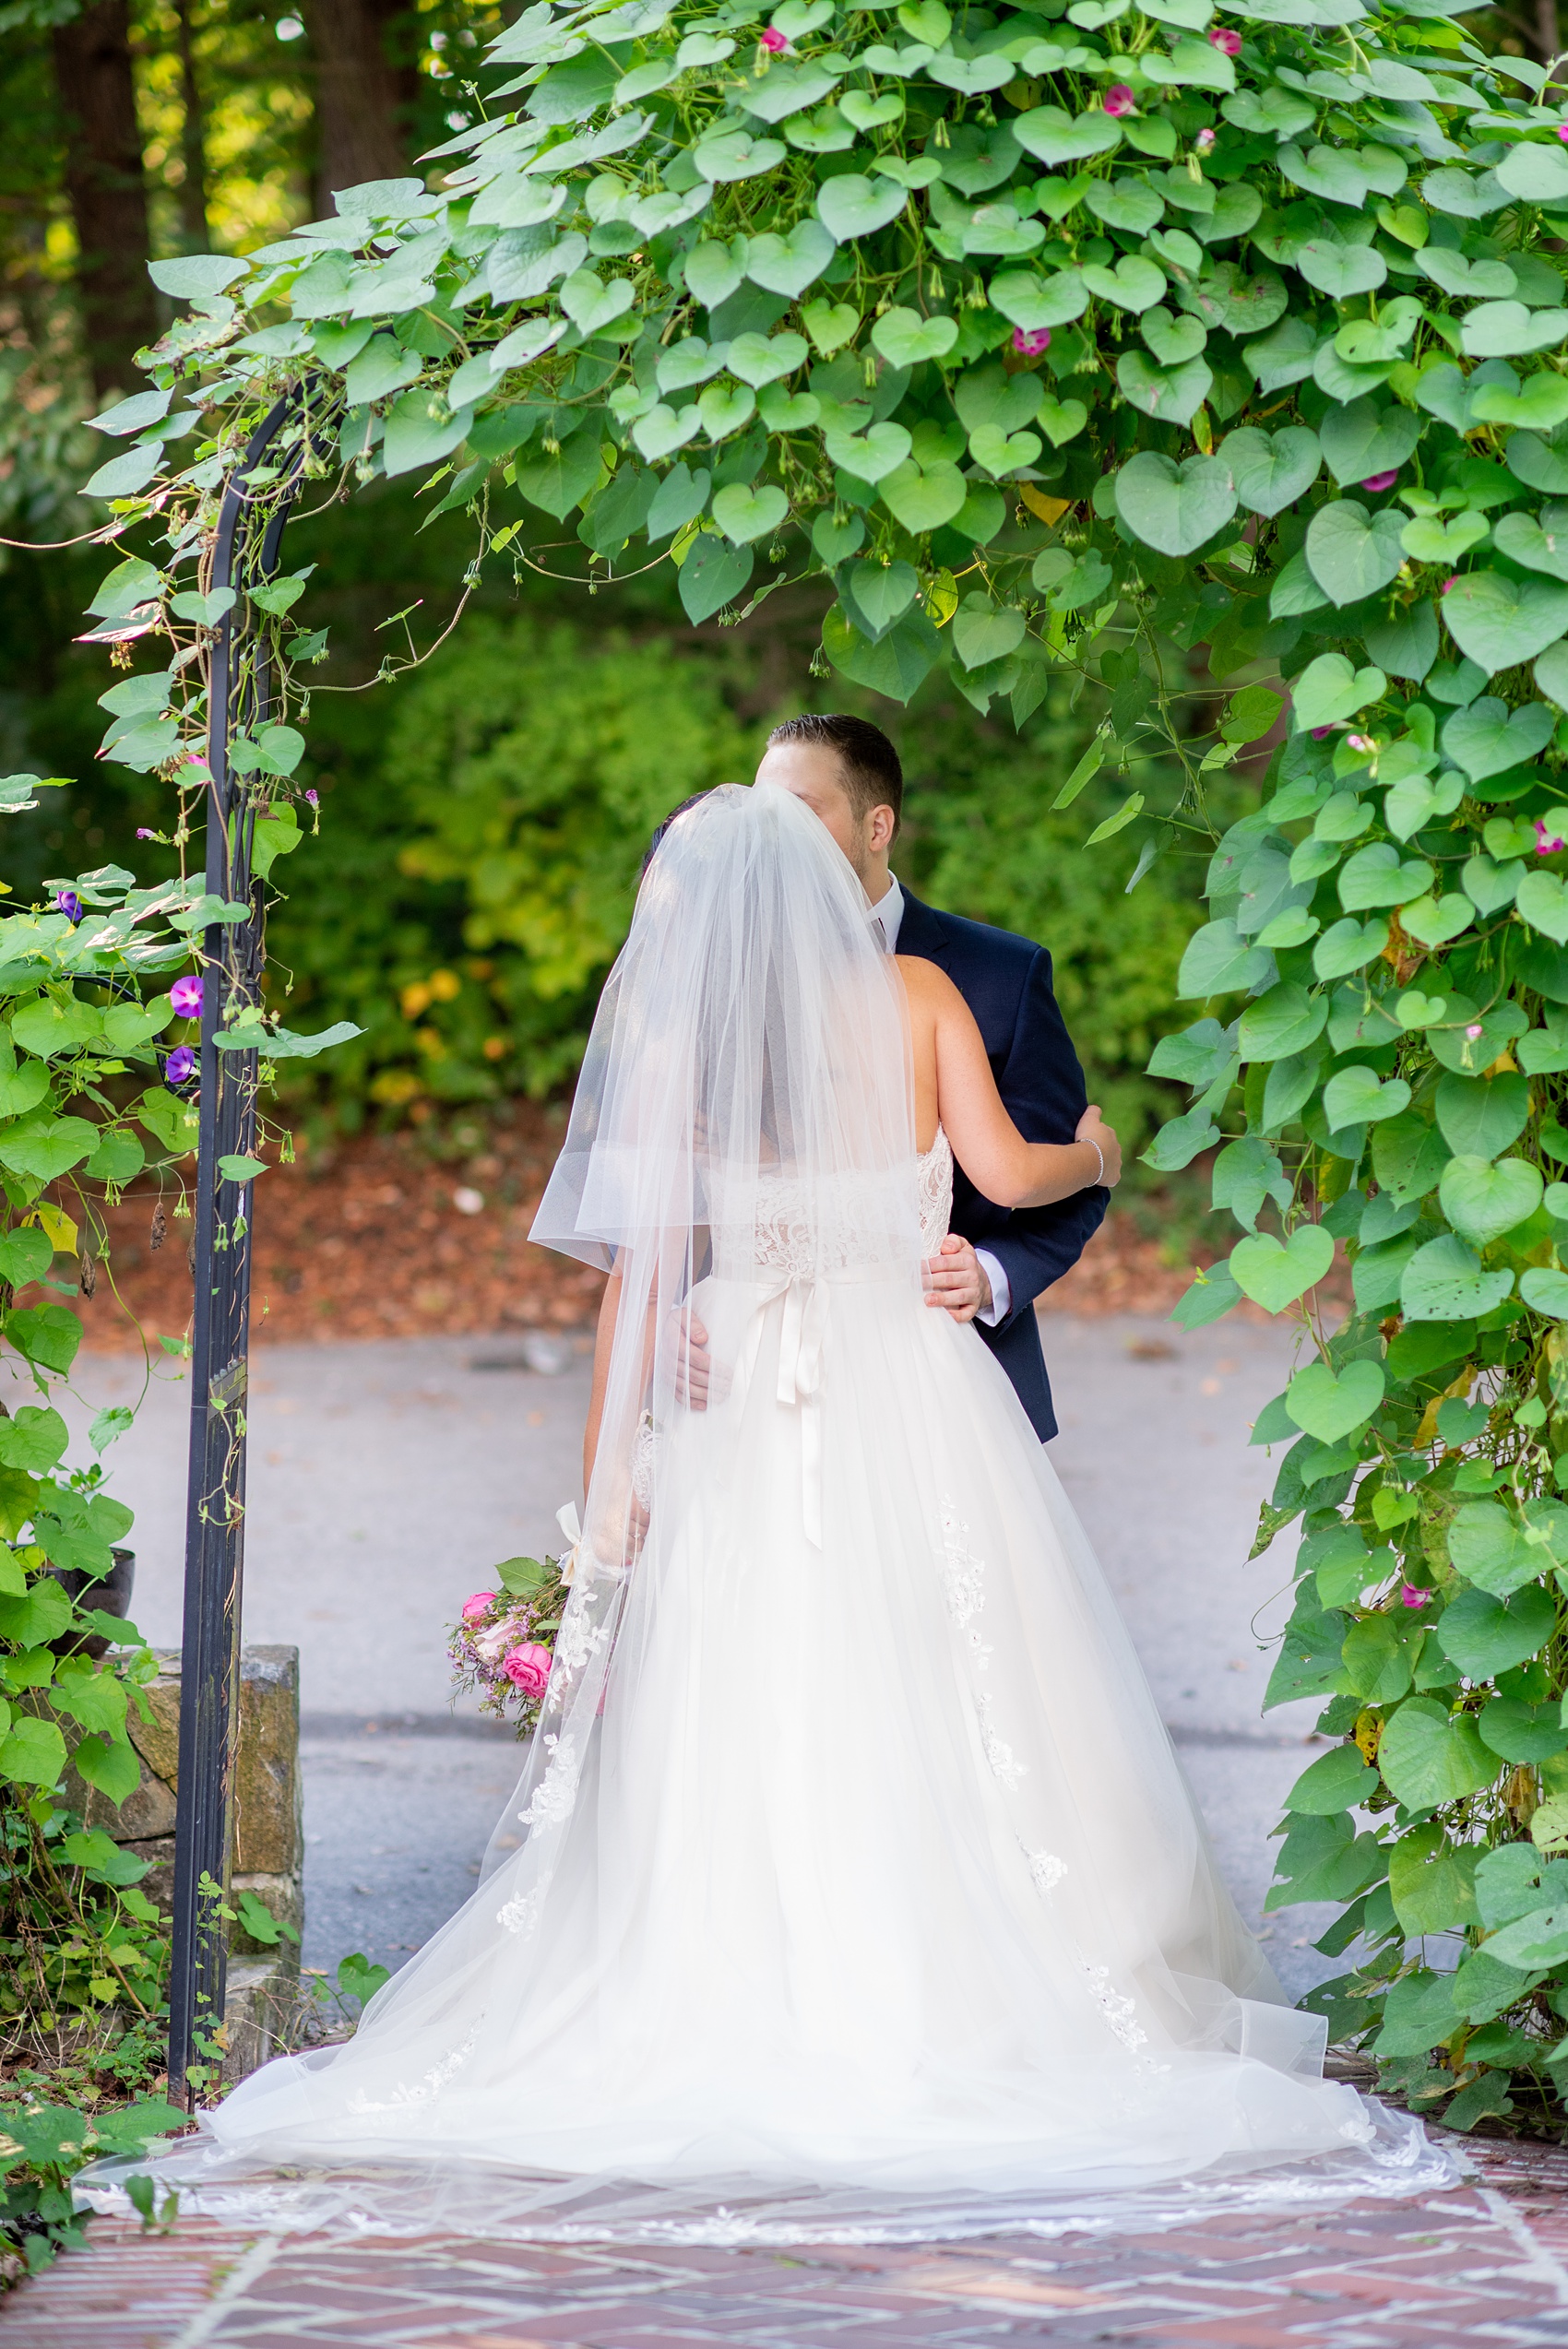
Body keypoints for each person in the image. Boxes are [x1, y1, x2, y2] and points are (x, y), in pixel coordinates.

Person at [100, 777, 1447, 2245]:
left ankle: (729, 1977)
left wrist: (616, 1473)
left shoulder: (692, 1038)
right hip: (905, 1380)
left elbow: (639, 1271)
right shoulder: (921, 990)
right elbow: (1008, 1171)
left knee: (744, 1687)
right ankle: (970, 1980)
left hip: (741, 1387)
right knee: (946, 1668)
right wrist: (1104, 1151)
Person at [674, 716, 1104, 1443]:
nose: (772, 829)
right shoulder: (723, 990)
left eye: (800, 807)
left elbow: (1031, 1175)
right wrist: (669, 1316)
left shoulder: (1000, 973)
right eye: (762, 807)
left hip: (936, 1372)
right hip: (739, 1373)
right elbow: (674, 1181)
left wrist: (992, 1275)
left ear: (879, 827)